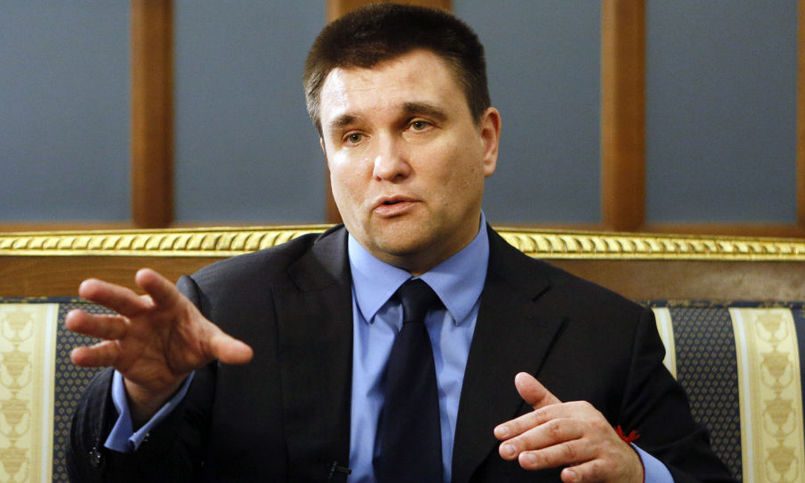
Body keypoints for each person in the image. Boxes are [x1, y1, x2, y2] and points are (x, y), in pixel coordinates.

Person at [66, 4, 734, 482]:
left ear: (486, 140)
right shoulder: (224, 312)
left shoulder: (603, 333)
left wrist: (635, 471)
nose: (386, 165)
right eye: (353, 135)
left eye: (417, 124)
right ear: (327, 154)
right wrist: (146, 397)